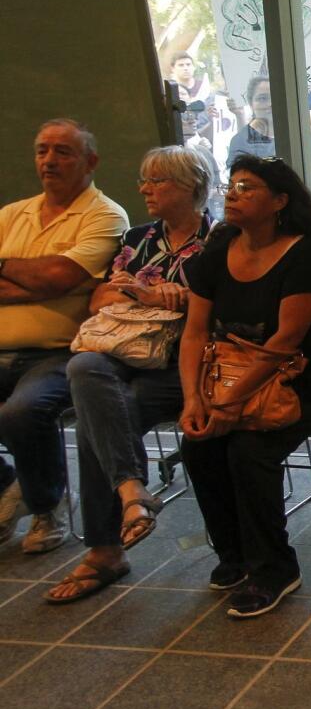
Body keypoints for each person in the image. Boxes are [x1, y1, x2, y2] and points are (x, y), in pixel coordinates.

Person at [178, 154, 311, 618]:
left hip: (307, 378)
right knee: (197, 445)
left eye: (248, 187)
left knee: (248, 449)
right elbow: (195, 332)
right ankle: (234, 558)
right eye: (232, 185)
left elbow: (284, 344)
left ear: (279, 201)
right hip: (233, 374)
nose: (233, 194)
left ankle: (274, 569)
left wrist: (229, 402)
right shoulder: (219, 248)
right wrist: (196, 398)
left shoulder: (305, 255)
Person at [44, 147, 212, 602]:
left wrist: (141, 292)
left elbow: (221, 309)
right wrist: (155, 296)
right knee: (84, 365)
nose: (145, 189)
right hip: (124, 355)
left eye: (157, 181)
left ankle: (105, 549)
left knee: (99, 413)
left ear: (192, 185)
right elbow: (99, 301)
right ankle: (131, 490)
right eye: (144, 180)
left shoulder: (221, 239)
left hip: (186, 364)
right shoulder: (137, 239)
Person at [0, 119, 128, 553]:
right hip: (3, 347)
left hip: (61, 352)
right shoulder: (11, 215)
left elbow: (59, 276)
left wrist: (10, 268)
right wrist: (44, 280)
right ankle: (9, 480)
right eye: (42, 150)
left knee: (22, 412)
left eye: (62, 152)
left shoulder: (105, 215)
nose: (49, 160)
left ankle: (44, 511)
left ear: (90, 162)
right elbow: (54, 278)